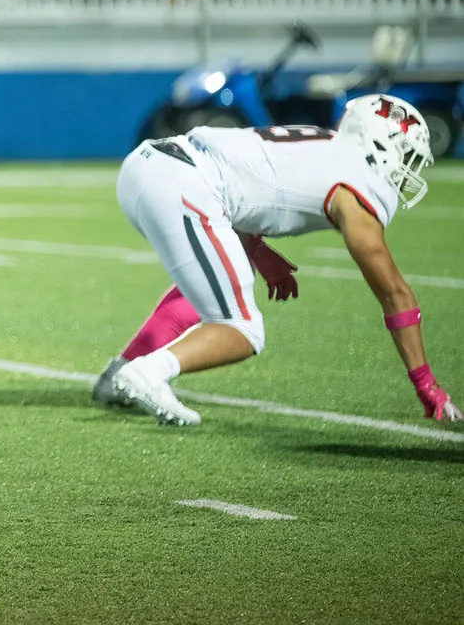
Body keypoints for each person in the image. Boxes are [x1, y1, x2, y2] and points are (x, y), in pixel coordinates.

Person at [94, 99, 459, 427]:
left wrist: (258, 251)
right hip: (183, 183)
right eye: (405, 154)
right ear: (380, 144)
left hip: (150, 164)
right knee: (241, 329)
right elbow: (394, 292)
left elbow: (243, 180)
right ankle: (147, 372)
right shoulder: (359, 181)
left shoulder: (321, 142)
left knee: (216, 288)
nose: (405, 169)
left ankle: (123, 371)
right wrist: (425, 382)